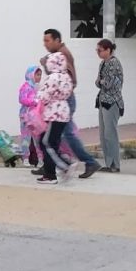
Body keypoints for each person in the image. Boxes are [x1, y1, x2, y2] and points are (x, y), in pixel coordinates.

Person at [41, 28, 101, 179]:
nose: (45, 44)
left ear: (57, 40)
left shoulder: (62, 55)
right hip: (61, 101)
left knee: (64, 134)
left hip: (61, 101)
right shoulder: (59, 54)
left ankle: (85, 162)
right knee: (55, 135)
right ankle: (51, 164)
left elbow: (66, 80)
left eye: (47, 40)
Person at [37, 52, 76, 184]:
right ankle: (53, 171)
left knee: (46, 142)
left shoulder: (52, 77)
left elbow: (44, 96)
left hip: (53, 113)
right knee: (52, 143)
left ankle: (59, 169)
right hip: (64, 112)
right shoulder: (66, 77)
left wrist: (38, 96)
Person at [95, 39, 124, 173]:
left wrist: (101, 81)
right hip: (103, 101)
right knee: (103, 135)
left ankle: (114, 164)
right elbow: (98, 82)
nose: (98, 53)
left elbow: (108, 84)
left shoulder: (114, 63)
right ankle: (108, 163)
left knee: (110, 134)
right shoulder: (102, 63)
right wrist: (101, 81)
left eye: (100, 50)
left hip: (112, 102)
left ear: (108, 50)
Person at [18, 65, 42, 167]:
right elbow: (22, 99)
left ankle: (41, 159)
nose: (39, 77)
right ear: (31, 74)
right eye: (37, 74)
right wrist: (34, 101)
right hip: (26, 116)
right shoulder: (26, 86)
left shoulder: (38, 87)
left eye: (40, 75)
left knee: (38, 139)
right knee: (26, 138)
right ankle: (25, 158)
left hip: (36, 117)